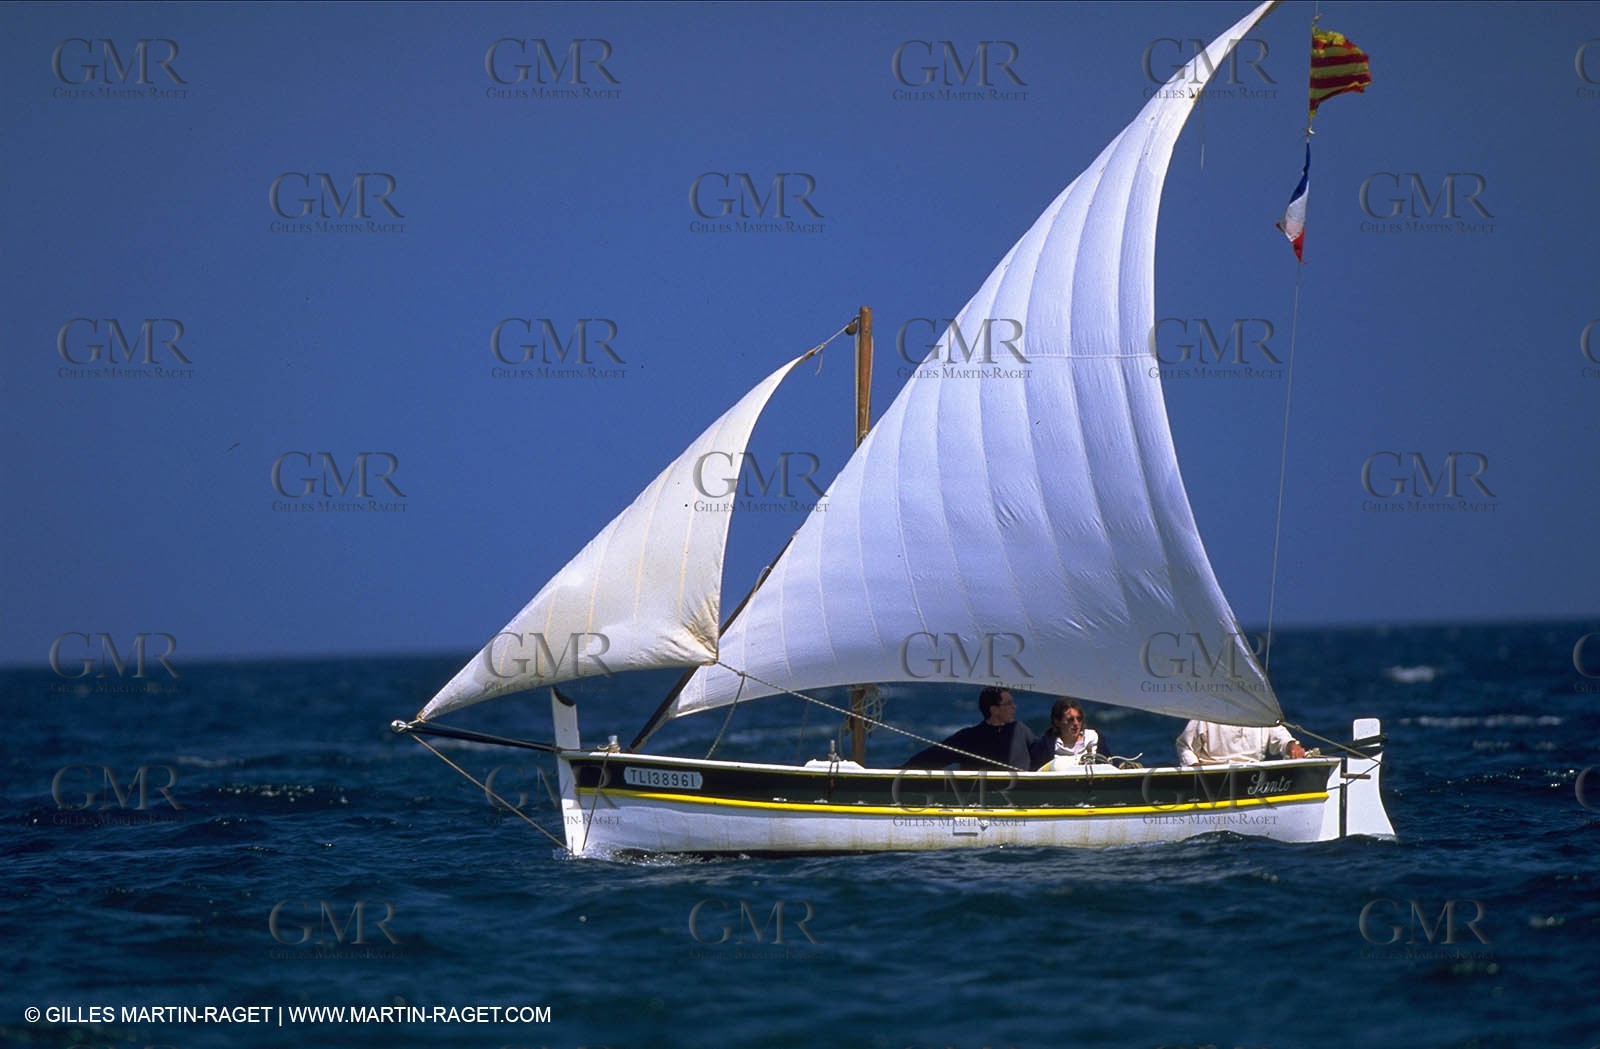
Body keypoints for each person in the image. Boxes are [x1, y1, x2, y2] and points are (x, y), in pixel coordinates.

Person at [903, 687, 1035, 770]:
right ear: (994, 710)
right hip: (979, 798)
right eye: (1009, 704)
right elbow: (934, 756)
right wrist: (902, 770)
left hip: (1020, 793)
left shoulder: (1021, 730)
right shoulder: (970, 737)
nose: (1014, 707)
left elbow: (1040, 754)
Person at [1175, 719, 1307, 765]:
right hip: (1212, 778)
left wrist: (1291, 745)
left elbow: (1282, 738)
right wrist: (1195, 768)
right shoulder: (1207, 715)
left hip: (1253, 778)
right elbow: (1185, 746)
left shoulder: (1261, 713)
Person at [1029, 698, 1111, 769]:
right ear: (1057, 722)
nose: (1076, 723)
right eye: (1070, 720)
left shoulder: (1094, 739)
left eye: (1079, 719)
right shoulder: (1045, 747)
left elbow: (1110, 764)